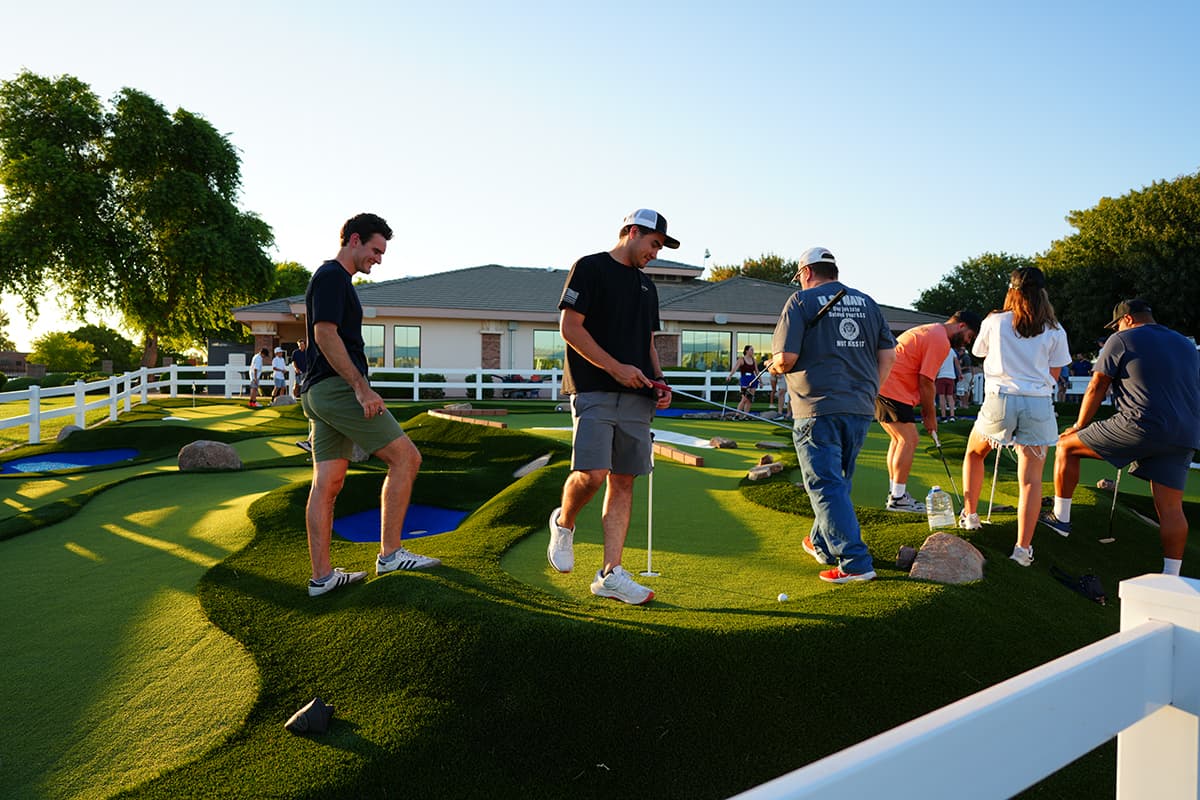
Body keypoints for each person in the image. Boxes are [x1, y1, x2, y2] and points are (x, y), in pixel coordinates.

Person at [299, 212, 439, 597]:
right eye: (376, 250)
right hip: (337, 390)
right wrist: (360, 387)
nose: (378, 259)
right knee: (406, 458)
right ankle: (390, 553)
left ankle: (321, 578)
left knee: (328, 483)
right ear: (355, 239)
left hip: (318, 392)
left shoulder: (335, 280)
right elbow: (325, 334)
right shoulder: (331, 277)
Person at [547, 208, 676, 605]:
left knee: (623, 479)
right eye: (653, 244)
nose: (655, 253)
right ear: (632, 232)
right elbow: (570, 328)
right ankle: (564, 521)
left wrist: (659, 382)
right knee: (593, 474)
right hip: (594, 389)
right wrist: (616, 368)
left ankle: (611, 574)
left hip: (638, 398)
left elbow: (648, 344)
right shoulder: (589, 268)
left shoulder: (647, 288)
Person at [1040, 299, 1200, 576]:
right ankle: (1171, 576)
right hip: (1185, 433)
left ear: (1125, 320)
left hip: (1141, 424)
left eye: (1115, 325)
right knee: (1171, 508)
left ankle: (1061, 520)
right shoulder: (1186, 345)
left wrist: (1079, 425)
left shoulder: (1121, 339)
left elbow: (1097, 385)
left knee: (1066, 446)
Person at [768, 246, 896, 583]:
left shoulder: (800, 301)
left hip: (817, 407)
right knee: (837, 482)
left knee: (824, 484)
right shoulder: (868, 303)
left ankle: (855, 562)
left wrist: (775, 364)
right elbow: (888, 356)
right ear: (833, 271)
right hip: (859, 406)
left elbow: (787, 357)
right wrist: (871, 390)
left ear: (806, 273)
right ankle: (821, 543)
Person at [957, 267, 1070, 567]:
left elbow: (979, 352)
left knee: (974, 453)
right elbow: (1054, 374)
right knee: (1031, 480)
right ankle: (1022, 549)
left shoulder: (995, 321)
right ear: (1043, 293)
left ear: (1012, 290)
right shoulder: (1056, 329)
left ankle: (970, 516)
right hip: (1038, 404)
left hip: (1000, 400)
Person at [875, 310, 982, 512]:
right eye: (970, 336)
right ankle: (898, 499)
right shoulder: (939, 339)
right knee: (909, 439)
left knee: (899, 440)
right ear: (961, 326)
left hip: (885, 385)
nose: (967, 342)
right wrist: (929, 416)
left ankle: (896, 494)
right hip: (893, 388)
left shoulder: (931, 331)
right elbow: (926, 381)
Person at [727, 345, 760, 419]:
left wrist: (760, 381)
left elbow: (757, 371)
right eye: (751, 350)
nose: (752, 352)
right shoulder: (741, 360)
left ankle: (746, 415)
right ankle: (737, 415)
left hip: (752, 379)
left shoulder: (753, 360)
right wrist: (730, 376)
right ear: (746, 351)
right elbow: (735, 368)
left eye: (753, 350)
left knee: (750, 399)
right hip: (744, 380)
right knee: (744, 398)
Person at [935, 348, 961, 422]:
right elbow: (957, 363)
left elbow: (937, 364)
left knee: (941, 396)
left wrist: (935, 376)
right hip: (951, 376)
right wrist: (960, 373)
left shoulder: (939, 350)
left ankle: (944, 416)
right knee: (950, 396)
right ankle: (952, 415)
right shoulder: (952, 350)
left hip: (941, 376)